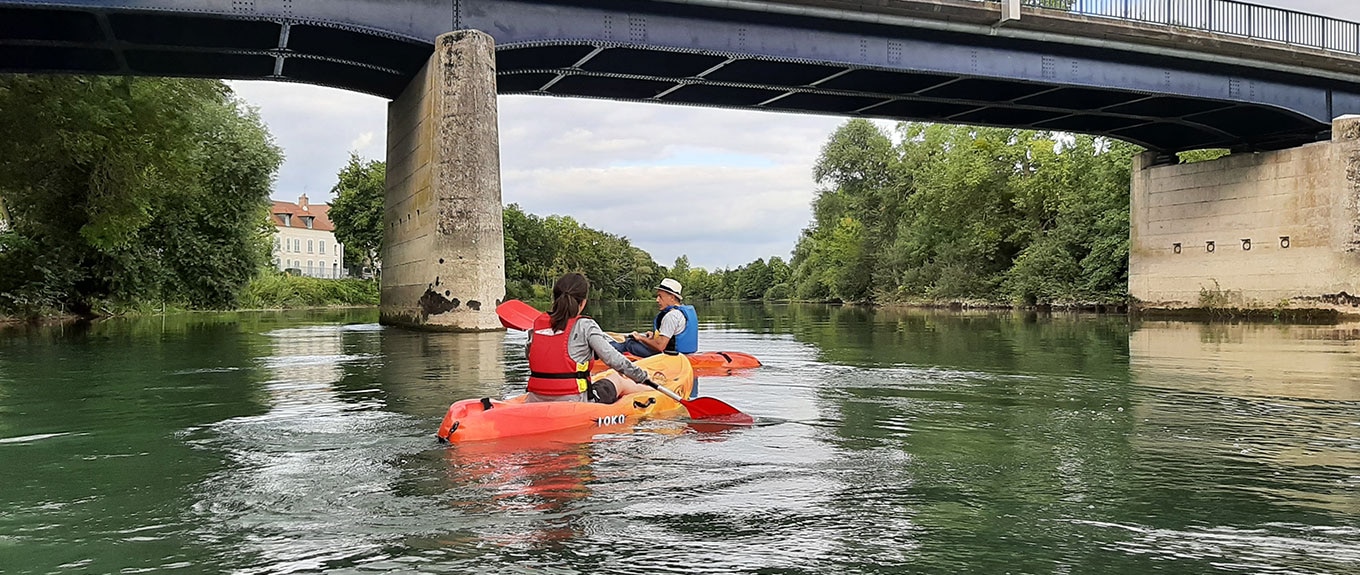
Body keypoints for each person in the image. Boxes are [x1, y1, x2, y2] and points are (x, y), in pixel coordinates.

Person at [525, 273, 656, 403]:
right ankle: (653, 390)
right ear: (583, 303)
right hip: (575, 401)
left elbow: (532, 356)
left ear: (555, 299)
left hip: (534, 399)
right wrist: (642, 377)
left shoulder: (537, 325)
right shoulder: (586, 326)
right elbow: (614, 359)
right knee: (617, 379)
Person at [611, 277, 698, 358]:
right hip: (685, 356)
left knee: (630, 343)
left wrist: (641, 338)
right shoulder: (680, 313)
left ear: (672, 297)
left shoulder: (671, 316)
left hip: (671, 358)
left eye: (660, 296)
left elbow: (660, 346)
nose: (657, 300)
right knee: (634, 341)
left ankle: (605, 353)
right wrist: (653, 337)